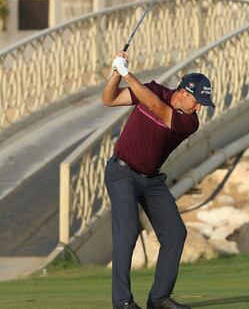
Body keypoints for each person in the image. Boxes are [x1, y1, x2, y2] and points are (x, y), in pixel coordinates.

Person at [101, 50, 214, 309]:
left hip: (151, 181)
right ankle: (122, 302)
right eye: (197, 102)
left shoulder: (189, 123)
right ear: (184, 92)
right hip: (122, 174)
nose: (198, 108)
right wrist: (116, 72)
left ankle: (159, 298)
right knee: (127, 232)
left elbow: (154, 106)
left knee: (175, 233)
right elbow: (108, 99)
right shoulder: (153, 90)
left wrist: (128, 73)